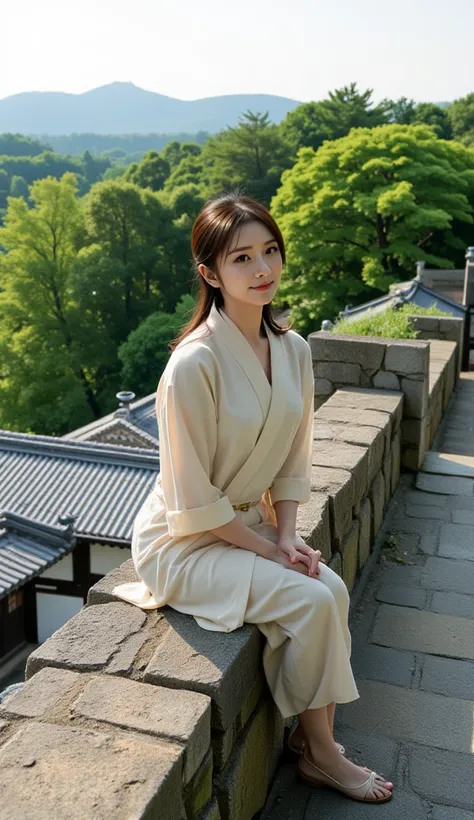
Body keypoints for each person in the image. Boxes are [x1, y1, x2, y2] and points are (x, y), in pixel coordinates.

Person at [113, 192, 393, 804]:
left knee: (333, 587)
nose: (262, 269)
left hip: (247, 524)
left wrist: (286, 533)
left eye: (270, 251)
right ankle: (321, 754)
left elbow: (295, 458)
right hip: (185, 539)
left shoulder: (292, 349)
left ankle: (309, 741)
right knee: (313, 600)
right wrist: (266, 552)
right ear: (210, 274)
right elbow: (190, 498)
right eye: (241, 258)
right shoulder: (193, 365)